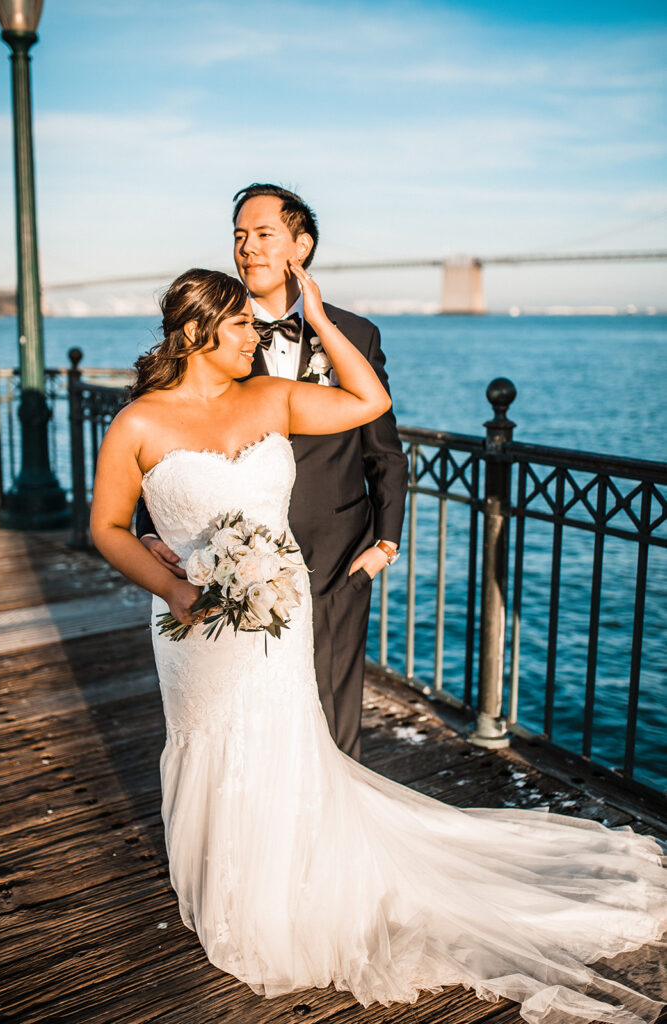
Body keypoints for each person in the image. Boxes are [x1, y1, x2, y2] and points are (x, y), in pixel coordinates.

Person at [91, 266, 666, 1024]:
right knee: (210, 744)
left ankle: (285, 886)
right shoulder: (138, 423)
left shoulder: (272, 397)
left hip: (278, 611)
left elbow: (370, 402)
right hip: (194, 625)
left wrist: (322, 321)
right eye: (238, 326)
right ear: (197, 333)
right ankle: (230, 886)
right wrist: (173, 589)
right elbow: (105, 527)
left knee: (279, 742)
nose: (254, 337)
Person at [135, 183, 408, 761]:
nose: (247, 249)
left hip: (337, 553)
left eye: (263, 235)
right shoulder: (215, 335)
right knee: (243, 710)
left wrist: (386, 542)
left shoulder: (355, 334)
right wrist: (151, 526)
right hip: (230, 553)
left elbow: (382, 446)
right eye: (239, 236)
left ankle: (331, 842)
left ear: (300, 246)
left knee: (335, 712)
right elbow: (166, 430)